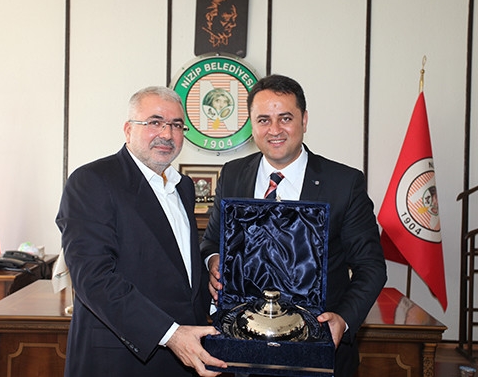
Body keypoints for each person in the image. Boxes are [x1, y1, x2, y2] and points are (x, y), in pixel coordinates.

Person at [200, 74, 387, 377]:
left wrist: (343, 319)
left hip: (318, 349)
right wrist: (213, 260)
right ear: (251, 124)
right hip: (244, 349)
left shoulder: (344, 183)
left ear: (304, 120)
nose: (274, 130)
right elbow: (211, 241)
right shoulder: (232, 174)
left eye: (285, 118)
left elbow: (371, 267)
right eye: (263, 120)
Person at [56, 86, 227, 377]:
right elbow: (94, 278)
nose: (167, 134)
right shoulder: (92, 181)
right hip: (120, 360)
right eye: (154, 122)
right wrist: (170, 334)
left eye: (176, 125)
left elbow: (173, 267)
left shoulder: (183, 186)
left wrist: (211, 282)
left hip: (186, 356)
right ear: (128, 130)